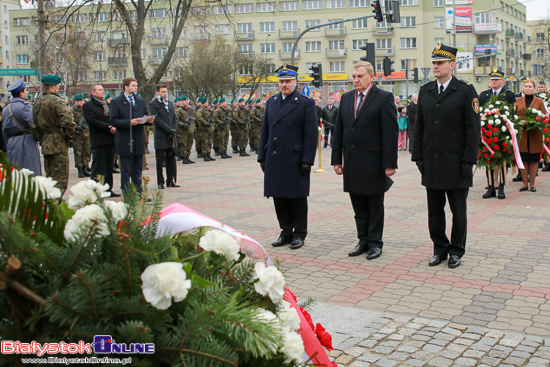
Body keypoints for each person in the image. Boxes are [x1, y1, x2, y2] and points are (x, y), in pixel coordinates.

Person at [411, 44, 481, 269]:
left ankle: (456, 251)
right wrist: (418, 155)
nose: (436, 66)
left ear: (452, 65)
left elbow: (473, 129)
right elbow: (419, 126)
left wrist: (469, 160)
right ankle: (439, 248)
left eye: (440, 63)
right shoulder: (426, 90)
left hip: (456, 162)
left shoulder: (465, 90)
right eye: (434, 62)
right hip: (432, 161)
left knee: (458, 211)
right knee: (434, 211)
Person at [331, 61, 398, 261]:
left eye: (360, 76)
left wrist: (390, 163)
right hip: (352, 161)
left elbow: (390, 132)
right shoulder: (346, 98)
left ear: (371, 76)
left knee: (375, 206)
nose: (356, 80)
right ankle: (363, 240)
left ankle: (375, 243)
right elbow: (339, 130)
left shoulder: (383, 98)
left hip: (374, 162)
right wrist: (337, 159)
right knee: (358, 205)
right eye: (353, 76)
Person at [258, 64, 318, 250]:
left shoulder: (305, 102)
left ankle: (299, 233)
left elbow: (311, 135)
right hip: (275, 156)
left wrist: (307, 160)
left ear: (295, 82)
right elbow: (265, 131)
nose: (284, 85)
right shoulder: (272, 101)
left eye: (288, 81)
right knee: (279, 197)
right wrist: (262, 156)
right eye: (281, 81)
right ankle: (285, 231)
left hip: (295, 157)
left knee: (297, 198)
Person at [109, 77, 154, 196]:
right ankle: (127, 193)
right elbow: (113, 120)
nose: (136, 87)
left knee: (138, 169)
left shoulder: (139, 101)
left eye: (136, 85)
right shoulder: (116, 101)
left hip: (138, 138)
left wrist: (148, 120)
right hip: (125, 139)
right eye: (133, 85)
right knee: (125, 169)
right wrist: (129, 122)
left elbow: (145, 115)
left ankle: (139, 192)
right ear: (126, 87)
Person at [32, 75, 75, 197]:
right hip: (58, 143)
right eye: (57, 86)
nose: (58, 88)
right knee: (60, 180)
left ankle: (48, 204)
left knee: (50, 179)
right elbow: (69, 120)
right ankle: (55, 205)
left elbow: (35, 126)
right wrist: (68, 135)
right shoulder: (56, 101)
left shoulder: (38, 102)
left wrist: (42, 139)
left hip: (46, 144)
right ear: (52, 87)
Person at [478, 70, 516, 199]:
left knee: (502, 161)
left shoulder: (509, 95)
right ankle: (490, 187)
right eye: (492, 80)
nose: (493, 82)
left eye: (496, 80)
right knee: (489, 160)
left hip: (502, 133)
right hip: (488, 133)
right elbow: (480, 112)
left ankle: (501, 187)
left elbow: (511, 113)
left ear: (502, 81)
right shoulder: (484, 95)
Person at [83, 84, 120, 197]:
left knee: (109, 167)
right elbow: (92, 121)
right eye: (99, 90)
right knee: (98, 167)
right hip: (99, 140)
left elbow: (112, 118)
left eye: (103, 90)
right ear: (93, 93)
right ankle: (94, 190)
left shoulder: (107, 105)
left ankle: (108, 189)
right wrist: (108, 127)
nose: (103, 92)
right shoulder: (89, 106)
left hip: (110, 140)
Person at [2, 78, 41, 175]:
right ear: (21, 93)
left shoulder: (6, 109)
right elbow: (33, 125)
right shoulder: (25, 106)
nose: (27, 92)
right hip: (26, 142)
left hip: (11, 143)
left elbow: (4, 130)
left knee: (15, 174)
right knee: (30, 172)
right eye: (25, 90)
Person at [516, 79, 546, 193]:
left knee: (534, 160)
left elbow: (543, 116)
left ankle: (532, 184)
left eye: (530, 86)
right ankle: (524, 183)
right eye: (526, 86)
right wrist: (520, 121)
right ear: (523, 88)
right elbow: (514, 116)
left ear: (534, 88)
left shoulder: (539, 101)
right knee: (523, 159)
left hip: (535, 134)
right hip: (522, 134)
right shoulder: (518, 100)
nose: (527, 88)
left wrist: (535, 121)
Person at [148, 85, 179, 189]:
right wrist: (169, 130)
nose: (165, 94)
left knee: (171, 159)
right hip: (161, 135)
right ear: (157, 92)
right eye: (162, 92)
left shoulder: (170, 103)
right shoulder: (153, 104)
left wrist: (173, 129)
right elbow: (157, 120)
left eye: (166, 92)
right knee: (160, 161)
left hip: (171, 136)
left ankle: (170, 180)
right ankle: (160, 182)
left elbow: (174, 117)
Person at [71, 94, 91, 178]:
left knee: (87, 151)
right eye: (80, 101)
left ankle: (85, 167)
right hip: (77, 135)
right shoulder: (72, 110)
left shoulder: (86, 109)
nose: (82, 102)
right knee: (78, 153)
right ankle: (80, 169)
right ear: (76, 101)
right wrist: (76, 127)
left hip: (87, 133)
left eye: (83, 100)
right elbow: (69, 122)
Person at [175, 96, 196, 164]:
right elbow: (176, 120)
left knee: (189, 144)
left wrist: (193, 127)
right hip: (183, 130)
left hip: (190, 129)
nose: (186, 102)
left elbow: (194, 118)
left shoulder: (190, 109)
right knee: (183, 144)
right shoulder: (179, 110)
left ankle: (187, 156)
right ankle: (184, 158)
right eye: (184, 101)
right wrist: (183, 124)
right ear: (181, 102)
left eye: (186, 100)